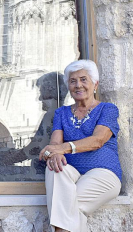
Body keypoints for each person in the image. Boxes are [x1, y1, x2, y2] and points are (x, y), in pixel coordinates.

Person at [39, 60, 122, 232]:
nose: (78, 85)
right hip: (72, 175)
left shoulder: (108, 109)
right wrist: (54, 153)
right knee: (55, 167)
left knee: (64, 205)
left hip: (103, 174)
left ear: (95, 84)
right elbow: (55, 143)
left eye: (84, 79)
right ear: (68, 86)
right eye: (73, 81)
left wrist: (63, 148)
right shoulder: (61, 113)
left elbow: (98, 140)